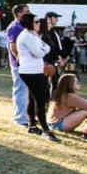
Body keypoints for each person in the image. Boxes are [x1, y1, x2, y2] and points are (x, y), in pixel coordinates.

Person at [17, 13, 59, 141]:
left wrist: (43, 48)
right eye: (36, 22)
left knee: (33, 97)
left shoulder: (31, 35)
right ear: (29, 23)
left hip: (34, 70)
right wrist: (44, 49)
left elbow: (45, 48)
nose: (39, 24)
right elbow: (39, 52)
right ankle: (46, 130)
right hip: (31, 72)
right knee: (41, 100)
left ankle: (32, 125)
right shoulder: (27, 36)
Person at [5, 4, 31, 126]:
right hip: (19, 65)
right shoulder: (14, 27)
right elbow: (13, 46)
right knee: (20, 90)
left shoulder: (23, 26)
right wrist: (20, 61)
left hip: (26, 64)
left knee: (25, 91)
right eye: (27, 11)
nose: (29, 13)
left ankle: (25, 115)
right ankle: (20, 119)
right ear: (19, 13)